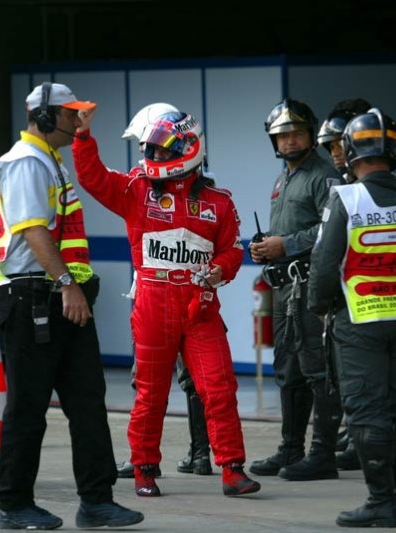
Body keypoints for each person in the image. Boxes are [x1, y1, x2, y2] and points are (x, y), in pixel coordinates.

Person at [72, 108, 261, 498]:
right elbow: (93, 178)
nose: (153, 158)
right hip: (153, 303)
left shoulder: (218, 202)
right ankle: (144, 469)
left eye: (161, 151)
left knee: (219, 387)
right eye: (151, 151)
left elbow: (232, 252)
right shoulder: (136, 190)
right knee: (151, 392)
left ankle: (232, 469)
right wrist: (83, 140)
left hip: (200, 305)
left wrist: (218, 271)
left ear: (189, 149)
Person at [0, 82, 143, 529]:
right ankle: (13, 505)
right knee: (28, 407)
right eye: (70, 113)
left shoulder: (48, 159)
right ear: (42, 118)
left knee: (87, 400)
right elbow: (34, 231)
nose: (78, 121)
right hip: (33, 296)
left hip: (59, 295)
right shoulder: (25, 162)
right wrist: (66, 284)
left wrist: (70, 287)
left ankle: (96, 501)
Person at [308, 108, 396, 527]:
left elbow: (325, 267)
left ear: (350, 151)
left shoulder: (345, 199)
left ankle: (381, 502)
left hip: (358, 318)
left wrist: (322, 305)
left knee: (367, 410)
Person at [248, 99, 344, 482]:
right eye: (282, 135)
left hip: (313, 286)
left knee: (317, 370)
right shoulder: (283, 178)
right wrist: (266, 246)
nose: (289, 141)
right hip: (286, 287)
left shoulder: (324, 176)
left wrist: (284, 245)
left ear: (311, 134)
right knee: (288, 369)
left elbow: (331, 229)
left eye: (297, 133)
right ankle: (290, 450)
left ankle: (323, 454)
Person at [116, 103, 212, 479]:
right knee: (157, 380)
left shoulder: (192, 183)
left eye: (154, 147)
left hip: (178, 294)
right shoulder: (165, 179)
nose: (148, 155)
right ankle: (152, 456)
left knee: (178, 379)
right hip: (155, 291)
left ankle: (191, 453)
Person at [316, 97, 372, 472]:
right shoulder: (345, 184)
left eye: (341, 143)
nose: (335, 152)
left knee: (365, 378)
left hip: (367, 302)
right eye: (330, 145)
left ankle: (364, 441)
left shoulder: (365, 189)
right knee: (343, 376)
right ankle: (354, 434)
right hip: (345, 298)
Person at [317, 98, 373, 183]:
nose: (335, 154)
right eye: (332, 147)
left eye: (340, 145)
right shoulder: (338, 182)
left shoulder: (382, 183)